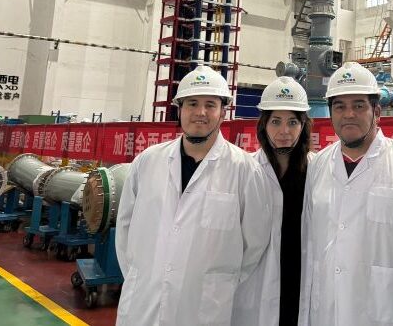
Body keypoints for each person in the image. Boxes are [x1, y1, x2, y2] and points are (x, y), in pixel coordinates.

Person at [115, 65, 274, 326]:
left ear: (223, 112)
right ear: (179, 109)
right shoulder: (148, 161)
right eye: (192, 104)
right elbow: (125, 228)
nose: (200, 112)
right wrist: (138, 276)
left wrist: (218, 283)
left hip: (203, 308)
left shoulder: (245, 170)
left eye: (210, 105)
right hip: (143, 302)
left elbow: (254, 243)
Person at [299, 61, 393, 326]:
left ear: (377, 111)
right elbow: (310, 246)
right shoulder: (318, 166)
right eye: (340, 107)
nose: (349, 114)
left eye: (359, 106)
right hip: (328, 312)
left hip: (389, 314)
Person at [249, 76, 314, 326]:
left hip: (302, 278)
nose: (284, 131)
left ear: (303, 125)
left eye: (292, 122)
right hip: (259, 280)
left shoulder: (319, 171)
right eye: (275, 121)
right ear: (264, 125)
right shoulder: (248, 170)